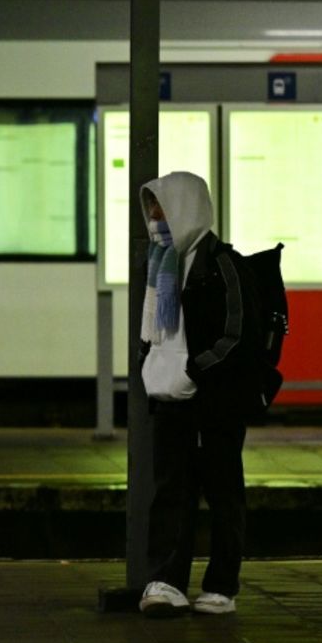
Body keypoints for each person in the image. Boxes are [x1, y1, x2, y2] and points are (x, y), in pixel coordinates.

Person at [136, 172, 262, 618]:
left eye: (161, 206)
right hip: (170, 399)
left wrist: (195, 369)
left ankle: (222, 585)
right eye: (151, 206)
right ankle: (167, 580)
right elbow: (154, 332)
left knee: (223, 491)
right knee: (171, 490)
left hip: (213, 403)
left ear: (187, 207)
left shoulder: (222, 264)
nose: (154, 216)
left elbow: (237, 333)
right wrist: (149, 366)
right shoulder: (161, 262)